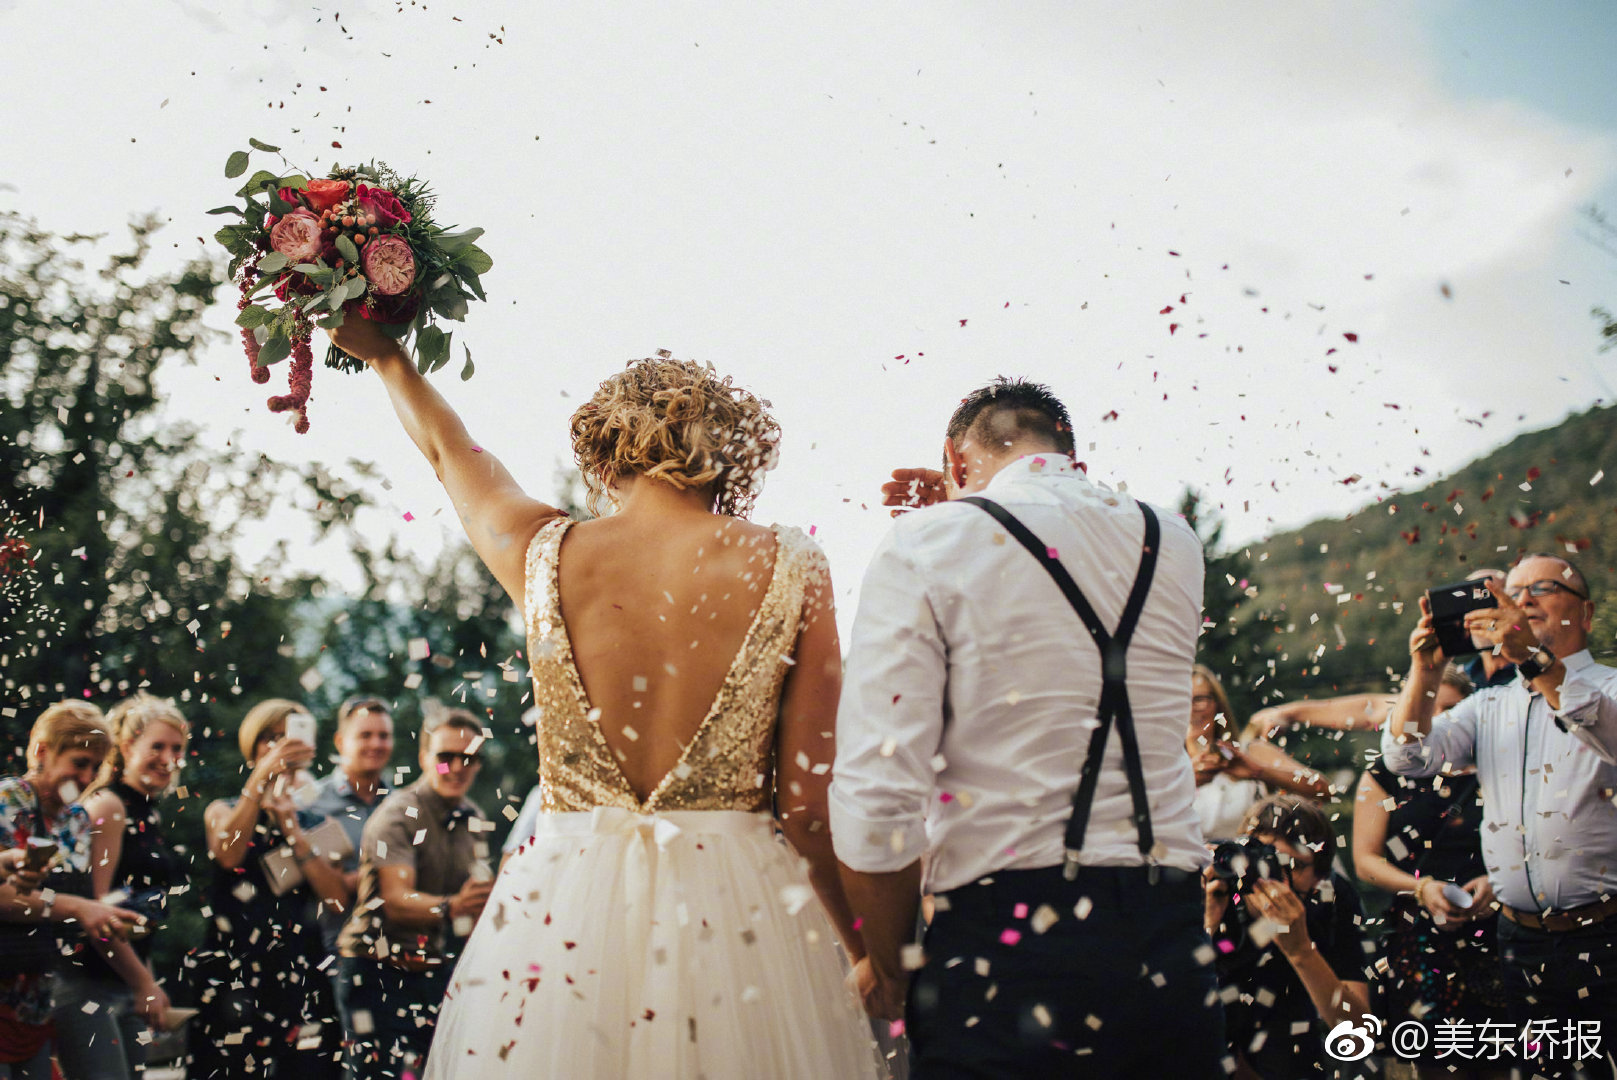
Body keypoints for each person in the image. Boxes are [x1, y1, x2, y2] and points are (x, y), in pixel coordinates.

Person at [326, 319, 880, 1078]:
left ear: (605, 451)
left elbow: (448, 455)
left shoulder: (543, 552)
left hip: (563, 910)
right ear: (727, 451)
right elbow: (809, 804)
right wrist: (865, 950)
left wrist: (388, 358)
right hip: (739, 908)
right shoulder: (788, 565)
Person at [832, 377, 1223, 1078]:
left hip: (1004, 939)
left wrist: (891, 966)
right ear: (1071, 451)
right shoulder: (1174, 540)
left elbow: (878, 792)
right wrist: (960, 508)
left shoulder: (925, 541)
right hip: (1166, 934)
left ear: (954, 459)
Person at [1383, 553, 1617, 1079]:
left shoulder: (1610, 688)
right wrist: (1425, 670)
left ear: (1586, 613)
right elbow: (1409, 757)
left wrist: (1534, 659)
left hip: (1607, 933)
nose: (1525, 598)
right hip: (1519, 940)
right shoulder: (1488, 706)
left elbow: (1606, 733)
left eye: (1544, 587)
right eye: (1513, 591)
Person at [1351, 666, 1508, 1080]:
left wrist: (1501, 882)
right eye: (1430, 709)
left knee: (1504, 1057)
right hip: (1417, 936)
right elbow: (1366, 861)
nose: (1438, 722)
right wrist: (1421, 888)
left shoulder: (1497, 769)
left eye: (1452, 711)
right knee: (1432, 1062)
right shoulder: (1385, 772)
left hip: (1499, 930)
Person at [189, 699, 348, 1080]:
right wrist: (260, 780)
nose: (279, 747)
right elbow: (228, 854)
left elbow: (337, 899)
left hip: (299, 968)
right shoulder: (223, 808)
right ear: (253, 746)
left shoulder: (317, 821)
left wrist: (293, 829)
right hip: (235, 968)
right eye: (270, 739)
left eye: (288, 738)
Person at [335, 707, 492, 1078]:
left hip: (433, 971)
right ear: (424, 758)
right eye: (445, 757)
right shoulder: (397, 814)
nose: (456, 767)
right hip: (373, 971)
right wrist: (455, 906)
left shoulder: (474, 817)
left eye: (468, 758)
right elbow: (395, 901)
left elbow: (475, 905)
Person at [53, 694, 189, 1080]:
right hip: (85, 982)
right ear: (127, 746)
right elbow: (95, 908)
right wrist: (145, 983)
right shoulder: (109, 806)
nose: (168, 758)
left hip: (126, 981)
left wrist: (149, 983)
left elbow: (138, 910)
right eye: (157, 746)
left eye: (176, 749)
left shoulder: (151, 811)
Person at [0, 702, 132, 1080]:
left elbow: (73, 907)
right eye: (79, 762)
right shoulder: (8, 801)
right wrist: (77, 906)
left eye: (96, 767)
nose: (87, 775)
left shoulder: (76, 821)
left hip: (37, 1004)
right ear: (42, 750)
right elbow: (5, 899)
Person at [1205, 794, 1371, 1079]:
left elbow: (1358, 1036)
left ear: (1320, 876)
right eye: (1262, 859)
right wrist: (1207, 929)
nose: (1272, 874)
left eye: (1292, 865)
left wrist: (1302, 952)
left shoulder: (1331, 902)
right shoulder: (1220, 886)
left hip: (1295, 1043)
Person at [1187, 664, 1330, 841]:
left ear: (1217, 704)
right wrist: (1185, 782)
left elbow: (1323, 789)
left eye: (1200, 699)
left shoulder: (1249, 751)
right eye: (1182, 700)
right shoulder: (1160, 768)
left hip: (1257, 864)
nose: (1191, 708)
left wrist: (1259, 771)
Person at [307, 697, 394, 962]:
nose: (376, 744)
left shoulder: (402, 804)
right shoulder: (310, 801)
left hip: (394, 951)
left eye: (384, 736)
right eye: (365, 735)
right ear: (340, 741)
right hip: (326, 950)